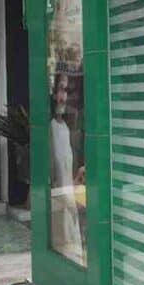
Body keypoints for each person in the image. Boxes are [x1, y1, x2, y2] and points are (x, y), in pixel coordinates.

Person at [49, 72, 84, 264]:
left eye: (67, 91)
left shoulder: (66, 127)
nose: (64, 97)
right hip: (57, 197)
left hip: (67, 194)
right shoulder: (50, 127)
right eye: (61, 90)